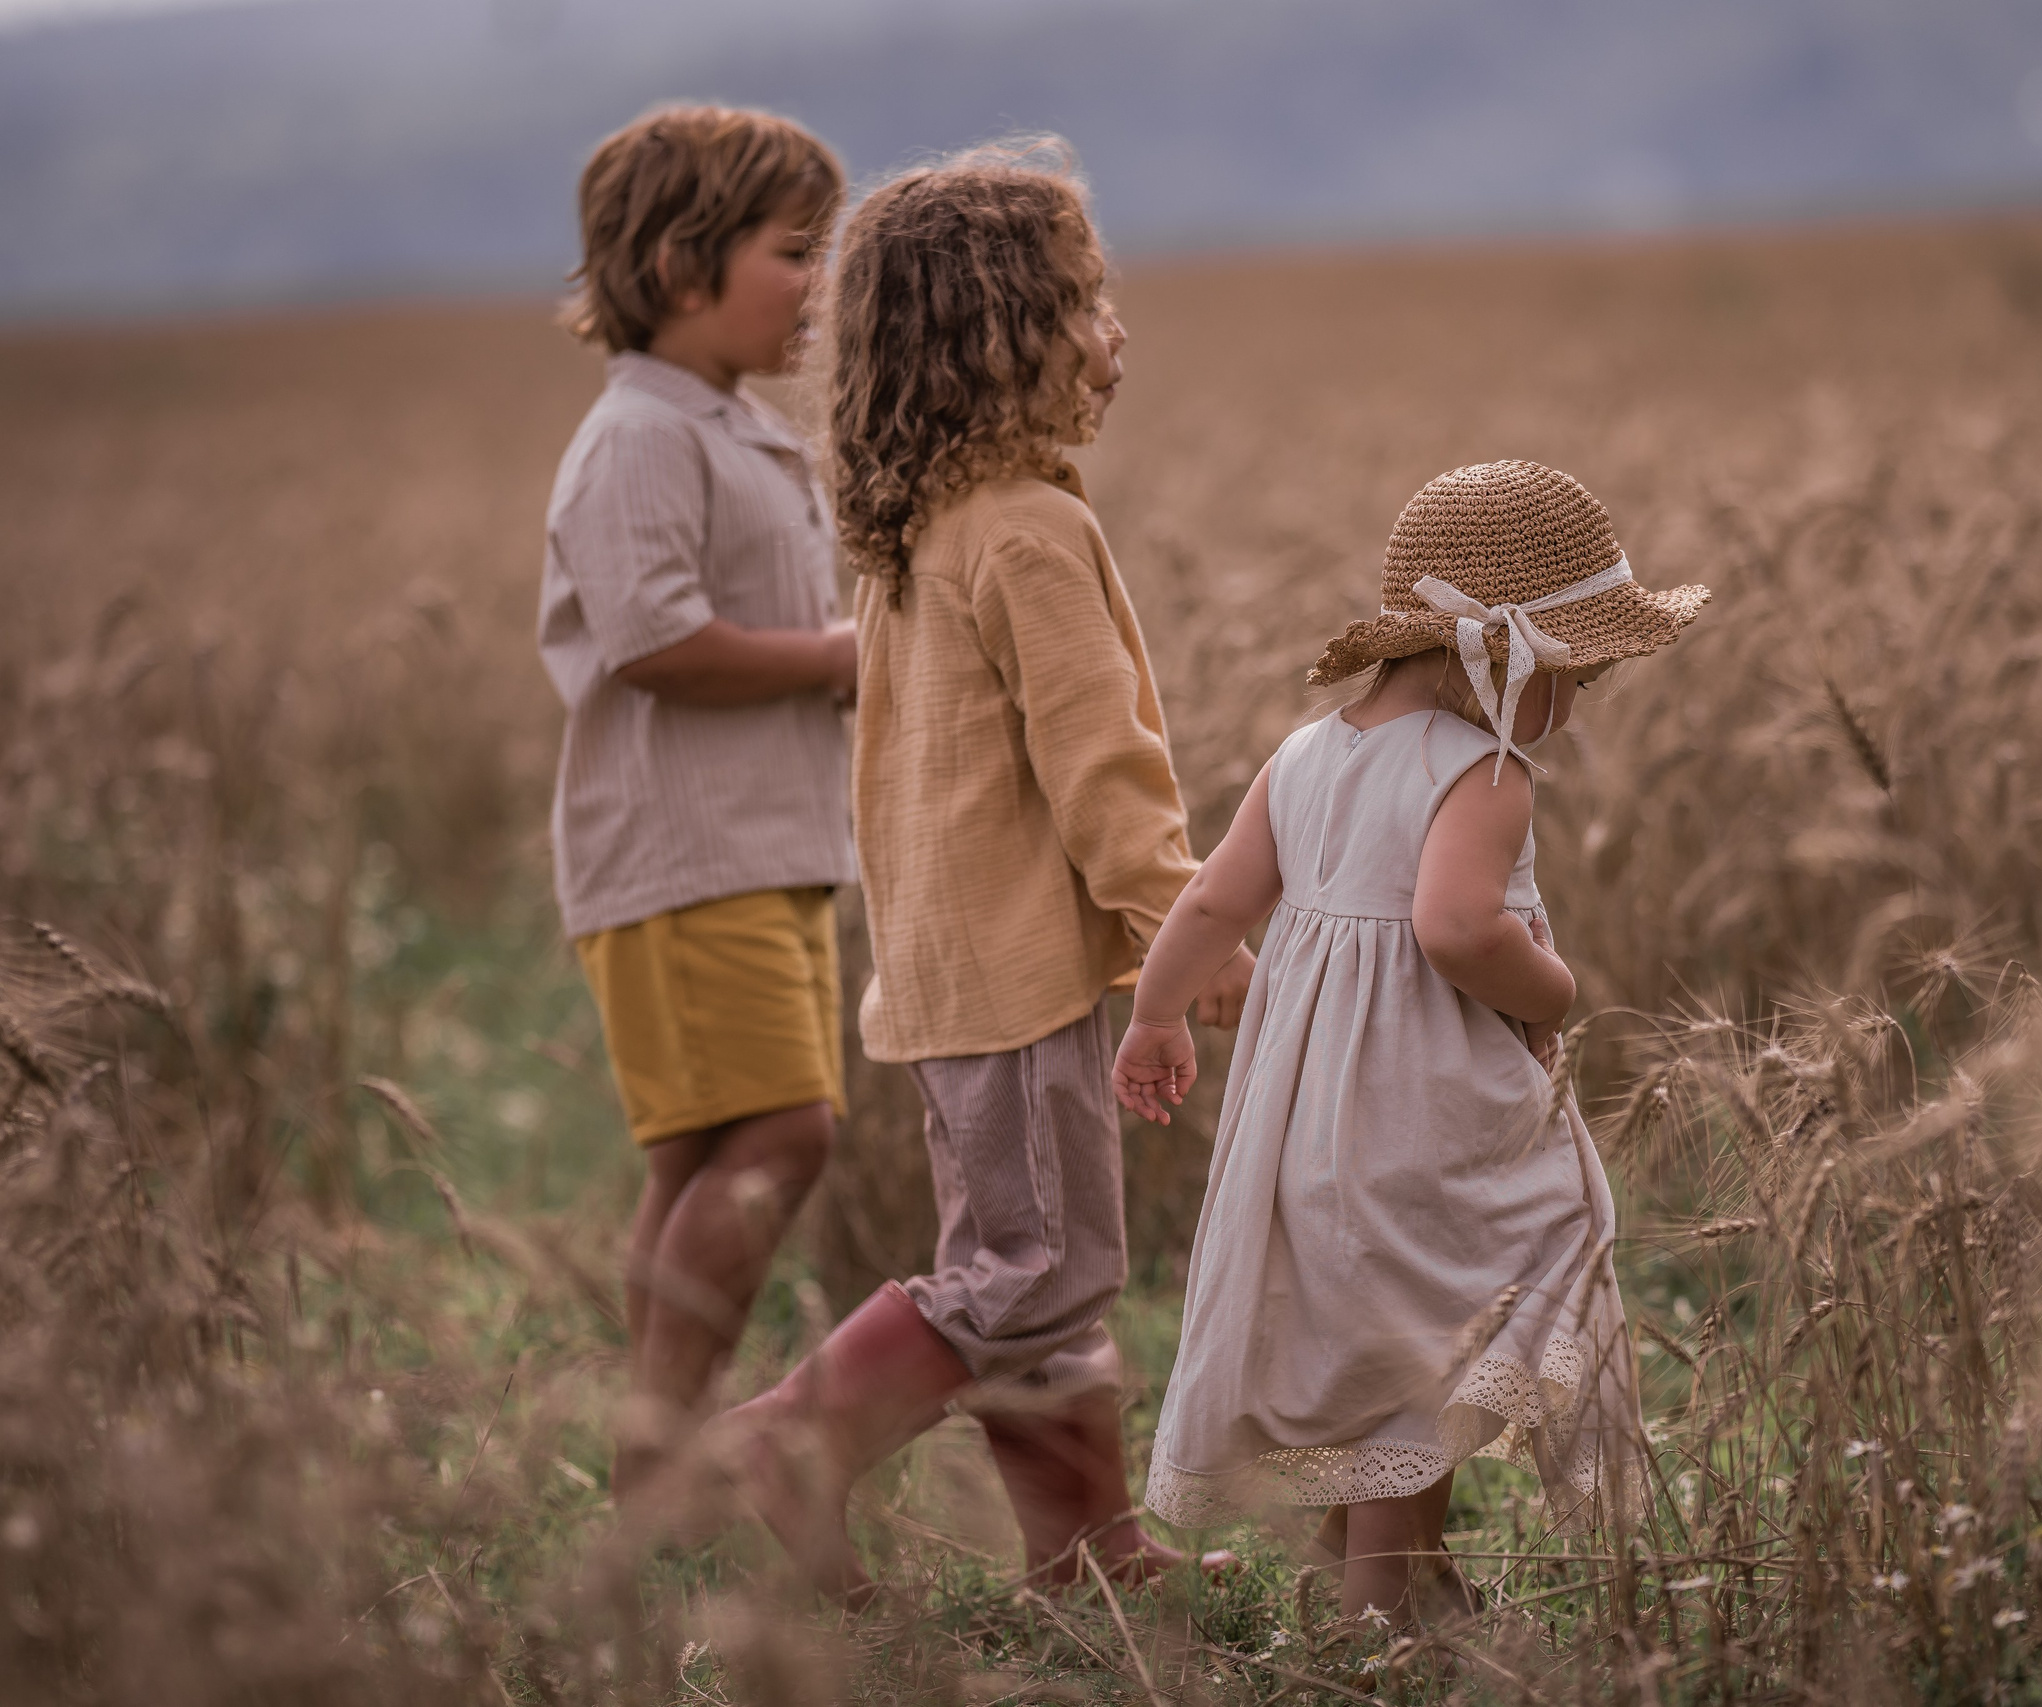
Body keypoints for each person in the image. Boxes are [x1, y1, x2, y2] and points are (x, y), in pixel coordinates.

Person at [714, 140, 1252, 1606]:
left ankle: (1086, 1551)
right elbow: (1103, 764)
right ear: (1001, 338)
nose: (1114, 330)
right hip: (1015, 975)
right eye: (1085, 302)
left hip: (957, 968)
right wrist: (1185, 928)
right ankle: (793, 1442)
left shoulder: (929, 531)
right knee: (1040, 1266)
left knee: (1028, 1261)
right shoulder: (1025, 530)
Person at [1115, 460, 1709, 1627]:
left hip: (1305, 1121)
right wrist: (1553, 986)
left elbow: (1213, 901)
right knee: (1435, 1339)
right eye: (1576, 677)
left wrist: (1154, 1015)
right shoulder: (1482, 775)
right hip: (1423, 1112)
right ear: (1504, 662)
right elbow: (1454, 930)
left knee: (1368, 1327)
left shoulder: (1301, 756)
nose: (1577, 706)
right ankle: (1378, 1618)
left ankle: (1400, 1577)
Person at [536, 105, 855, 1500]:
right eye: (794, 252)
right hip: (684, 853)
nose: (819, 284)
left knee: (700, 1156)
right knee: (784, 1133)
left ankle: (651, 1463)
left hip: (767, 844)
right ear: (680, 267)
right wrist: (846, 660)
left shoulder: (729, 427)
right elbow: (656, 641)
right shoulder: (638, 439)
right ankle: (659, 1464)